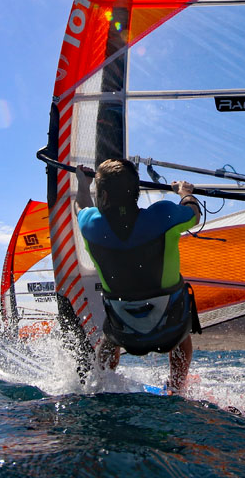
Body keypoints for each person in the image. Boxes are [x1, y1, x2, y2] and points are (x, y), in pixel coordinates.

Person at [75, 158, 202, 393]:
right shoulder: (162, 215)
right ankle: (177, 387)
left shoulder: (90, 226)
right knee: (181, 313)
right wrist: (185, 193)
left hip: (124, 333)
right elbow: (195, 215)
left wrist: (83, 185)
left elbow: (81, 206)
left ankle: (100, 382)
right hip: (170, 331)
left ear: (102, 196)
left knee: (108, 338)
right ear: (137, 193)